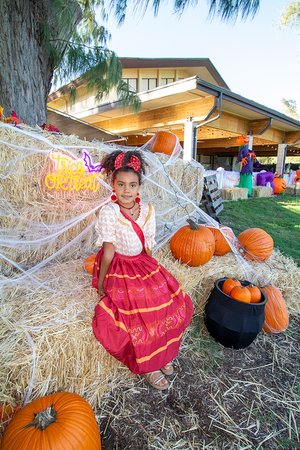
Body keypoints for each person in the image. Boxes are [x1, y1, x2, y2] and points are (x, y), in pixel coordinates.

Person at [92, 149, 194, 391]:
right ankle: (148, 364)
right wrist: (101, 283)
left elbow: (148, 247)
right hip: (120, 266)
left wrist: (154, 275)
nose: (127, 190)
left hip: (142, 262)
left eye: (132, 185)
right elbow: (108, 252)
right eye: (121, 184)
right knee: (137, 311)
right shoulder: (109, 213)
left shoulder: (148, 210)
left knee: (164, 299)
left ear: (139, 187)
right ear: (113, 185)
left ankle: (161, 354)